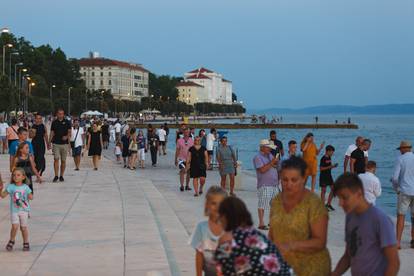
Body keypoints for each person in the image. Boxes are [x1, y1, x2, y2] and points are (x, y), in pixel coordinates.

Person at [269, 156, 331, 276]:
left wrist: (290, 245)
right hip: (285, 267)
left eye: (294, 180)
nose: (289, 184)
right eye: (285, 180)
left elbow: (319, 242)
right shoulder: (277, 201)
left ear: (303, 179)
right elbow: (272, 234)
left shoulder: (314, 204)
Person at [332, 173, 400, 276]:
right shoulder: (350, 217)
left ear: (359, 194)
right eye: (338, 198)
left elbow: (394, 263)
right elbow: (348, 256)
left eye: (344, 198)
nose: (340, 203)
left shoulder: (380, 220)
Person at [215, 197, 292, 275]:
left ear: (225, 217)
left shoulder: (228, 239)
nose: (219, 220)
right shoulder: (258, 235)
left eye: (220, 215)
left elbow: (222, 272)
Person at [189, 186, 227, 276]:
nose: (217, 207)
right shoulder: (201, 227)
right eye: (214, 203)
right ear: (207, 205)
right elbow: (199, 255)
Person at [0, 168, 34, 251]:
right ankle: (12, 240)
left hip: (24, 211)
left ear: (23, 177)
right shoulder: (11, 187)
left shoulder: (25, 187)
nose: (15, 177)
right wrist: (0, 189)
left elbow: (31, 197)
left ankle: (26, 242)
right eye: (14, 175)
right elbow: (3, 196)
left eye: (18, 175)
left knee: (23, 228)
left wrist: (29, 195)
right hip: (14, 211)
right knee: (14, 227)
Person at [391, 140, 414, 249]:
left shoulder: (400, 159)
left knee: (401, 216)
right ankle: (413, 241)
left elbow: (395, 178)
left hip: (404, 191)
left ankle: (398, 242)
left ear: (405, 149)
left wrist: (396, 189)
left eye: (400, 149)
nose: (400, 151)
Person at [253, 139, 279, 230]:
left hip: (274, 184)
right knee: (262, 204)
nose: (270, 149)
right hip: (264, 185)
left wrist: (275, 162)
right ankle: (261, 223)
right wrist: (272, 162)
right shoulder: (257, 157)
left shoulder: (270, 155)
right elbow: (262, 170)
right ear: (262, 148)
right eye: (268, 147)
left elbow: (274, 166)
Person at [49, 109, 71, 182]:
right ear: (57, 114)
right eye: (59, 113)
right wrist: (49, 142)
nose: (60, 115)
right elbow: (52, 132)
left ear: (63, 114)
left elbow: (69, 132)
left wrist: (67, 137)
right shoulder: (54, 122)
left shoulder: (67, 122)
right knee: (56, 159)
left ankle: (61, 175)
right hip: (56, 143)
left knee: (63, 160)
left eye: (62, 114)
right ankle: (56, 175)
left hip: (64, 144)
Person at [320, 145, 338, 211]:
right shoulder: (323, 158)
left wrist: (333, 166)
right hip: (323, 176)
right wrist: (331, 167)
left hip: (329, 176)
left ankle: (328, 204)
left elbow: (329, 166)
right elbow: (321, 168)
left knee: (333, 189)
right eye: (332, 152)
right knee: (323, 191)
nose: (332, 153)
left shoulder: (329, 157)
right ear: (327, 151)